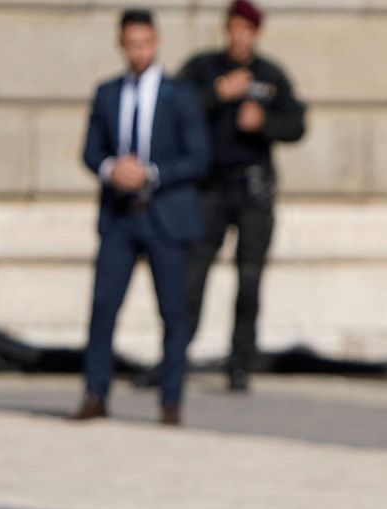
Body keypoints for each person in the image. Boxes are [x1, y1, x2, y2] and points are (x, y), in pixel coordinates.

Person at [74, 8, 210, 425]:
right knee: (103, 307)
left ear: (156, 41)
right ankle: (95, 393)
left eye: (145, 43)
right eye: (131, 44)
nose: (138, 51)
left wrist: (151, 174)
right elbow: (90, 150)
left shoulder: (180, 94)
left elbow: (199, 157)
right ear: (121, 44)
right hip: (119, 217)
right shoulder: (107, 93)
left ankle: (171, 400)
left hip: (164, 217)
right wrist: (112, 169)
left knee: (173, 312)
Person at [176, 0, 307, 393]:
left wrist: (264, 122)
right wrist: (217, 93)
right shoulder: (203, 68)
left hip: (253, 188)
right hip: (210, 187)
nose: (239, 36)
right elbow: (175, 109)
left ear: (256, 33)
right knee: (192, 275)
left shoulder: (270, 75)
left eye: (246, 30)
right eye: (233, 28)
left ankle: (240, 363)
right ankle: (175, 355)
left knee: (249, 278)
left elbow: (296, 124)